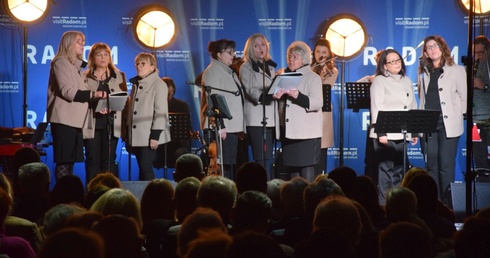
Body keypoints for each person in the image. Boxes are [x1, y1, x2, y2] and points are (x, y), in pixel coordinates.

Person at [46, 31, 107, 180]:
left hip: (75, 121)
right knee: (64, 162)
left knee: (70, 162)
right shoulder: (60, 62)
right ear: (68, 43)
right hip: (64, 121)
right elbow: (67, 91)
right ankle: (62, 198)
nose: (82, 44)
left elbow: (82, 93)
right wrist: (95, 94)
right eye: (78, 41)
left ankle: (67, 196)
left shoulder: (76, 67)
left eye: (83, 41)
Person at [417, 35, 467, 202]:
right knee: (432, 166)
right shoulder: (424, 72)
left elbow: (464, 96)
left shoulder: (457, 70)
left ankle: (447, 204)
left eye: (435, 46)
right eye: (429, 47)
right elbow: (422, 99)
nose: (432, 49)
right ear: (425, 52)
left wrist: (456, 113)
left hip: (448, 124)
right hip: (429, 124)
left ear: (443, 48)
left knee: (446, 166)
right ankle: (434, 203)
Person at [370, 49, 418, 205]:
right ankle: (384, 205)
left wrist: (414, 130)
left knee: (399, 170)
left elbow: (412, 106)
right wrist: (381, 132)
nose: (397, 63)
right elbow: (376, 107)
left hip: (402, 132)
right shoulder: (380, 80)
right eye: (392, 61)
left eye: (398, 60)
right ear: (385, 65)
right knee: (386, 171)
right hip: (385, 133)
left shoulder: (407, 80)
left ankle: (397, 204)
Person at [273, 41, 323, 183]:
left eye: (294, 57)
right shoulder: (283, 76)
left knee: (307, 172)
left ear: (304, 59)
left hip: (306, 134)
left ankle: (308, 201)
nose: (291, 60)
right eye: (289, 57)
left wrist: (298, 96)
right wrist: (275, 97)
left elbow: (317, 103)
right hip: (289, 132)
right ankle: (295, 201)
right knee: (293, 172)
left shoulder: (313, 77)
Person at [83, 42, 128, 183]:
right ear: (92, 58)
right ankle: (92, 192)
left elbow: (124, 98)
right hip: (92, 123)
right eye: (98, 55)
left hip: (111, 124)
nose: (103, 58)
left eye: (106, 54)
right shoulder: (84, 76)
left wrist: (112, 106)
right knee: (92, 159)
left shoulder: (119, 75)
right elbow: (80, 99)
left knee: (108, 160)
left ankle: (110, 194)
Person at [200, 39, 245, 179]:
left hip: (230, 128)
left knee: (230, 166)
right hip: (222, 128)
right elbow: (214, 100)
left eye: (233, 51)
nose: (233, 55)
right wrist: (220, 125)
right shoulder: (213, 71)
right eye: (229, 52)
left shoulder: (227, 71)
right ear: (219, 54)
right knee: (224, 169)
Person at [126, 52, 171, 180]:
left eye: (143, 64)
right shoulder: (137, 84)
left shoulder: (159, 84)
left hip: (149, 135)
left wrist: (155, 135)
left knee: (145, 166)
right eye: (137, 64)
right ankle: (143, 196)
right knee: (142, 167)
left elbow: (160, 111)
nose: (139, 66)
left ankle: (152, 197)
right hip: (138, 134)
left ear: (152, 67)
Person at [239, 33, 278, 179]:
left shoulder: (270, 66)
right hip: (256, 118)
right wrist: (269, 95)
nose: (260, 48)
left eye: (263, 45)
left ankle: (269, 183)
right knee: (261, 157)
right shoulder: (246, 67)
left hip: (271, 118)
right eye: (256, 45)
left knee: (268, 157)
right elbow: (251, 90)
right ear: (250, 49)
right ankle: (261, 184)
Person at [311, 38, 338, 176]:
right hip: (308, 112)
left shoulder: (332, 71)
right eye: (318, 51)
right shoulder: (307, 69)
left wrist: (321, 73)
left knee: (322, 149)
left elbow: (325, 87)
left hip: (323, 112)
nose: (321, 54)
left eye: (324, 52)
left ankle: (321, 177)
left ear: (329, 54)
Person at [154, 77, 191, 169]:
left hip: (176, 145)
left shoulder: (182, 106)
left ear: (173, 91)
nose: (166, 98)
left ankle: (182, 181)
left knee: (182, 153)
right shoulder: (152, 105)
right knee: (146, 154)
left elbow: (187, 128)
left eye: (169, 94)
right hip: (157, 145)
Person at [472, 35, 490, 171]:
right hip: (475, 120)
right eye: (474, 53)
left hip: (489, 118)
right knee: (479, 159)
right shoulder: (469, 68)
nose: (477, 56)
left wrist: (484, 86)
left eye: (480, 52)